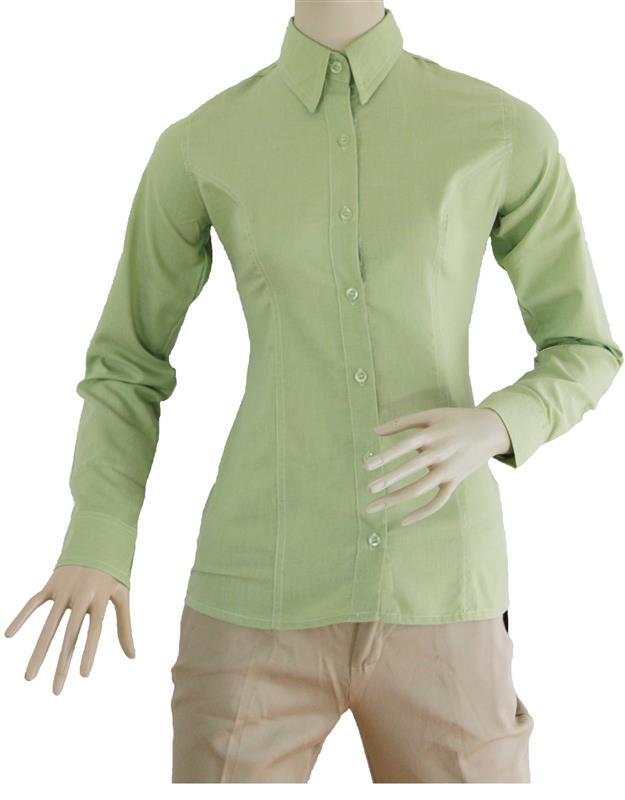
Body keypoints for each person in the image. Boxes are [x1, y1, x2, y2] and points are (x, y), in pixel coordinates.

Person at [5, 0, 622, 784]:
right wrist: (99, 539)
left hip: (443, 593)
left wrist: (498, 423)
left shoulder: (500, 132)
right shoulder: (203, 143)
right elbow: (127, 362)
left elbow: (583, 347)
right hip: (253, 594)